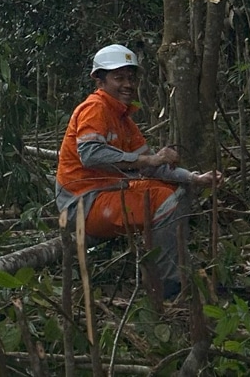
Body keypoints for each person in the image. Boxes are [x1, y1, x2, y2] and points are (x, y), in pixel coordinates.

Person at [56, 43, 222, 299]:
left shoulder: (124, 119)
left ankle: (171, 265)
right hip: (83, 203)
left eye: (131, 78)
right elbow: (90, 155)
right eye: (118, 78)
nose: (127, 84)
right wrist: (145, 160)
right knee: (165, 199)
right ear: (99, 81)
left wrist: (194, 177)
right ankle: (169, 283)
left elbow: (153, 166)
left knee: (178, 189)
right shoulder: (95, 108)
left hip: (109, 193)